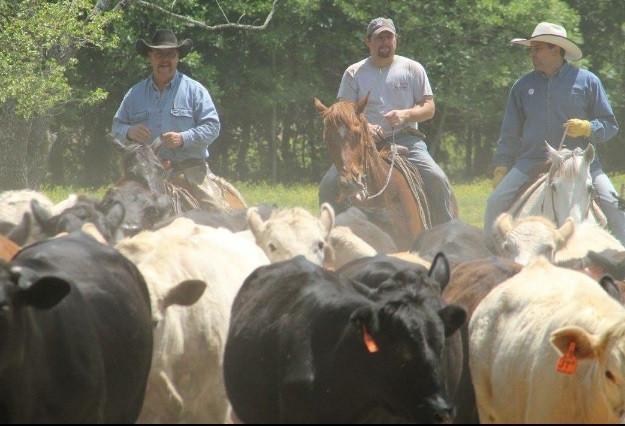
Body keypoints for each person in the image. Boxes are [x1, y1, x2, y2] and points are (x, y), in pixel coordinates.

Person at [484, 22, 624, 244]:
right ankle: (492, 258)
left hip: (580, 162)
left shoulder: (588, 81)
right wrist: (501, 165)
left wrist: (589, 127)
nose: (533, 54)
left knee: (613, 204)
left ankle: (621, 266)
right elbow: (509, 132)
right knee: (495, 202)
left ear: (556, 49)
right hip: (531, 160)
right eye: (531, 49)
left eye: (537, 48)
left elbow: (610, 125)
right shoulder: (522, 86)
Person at [318, 17, 455, 225]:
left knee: (437, 177)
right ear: (368, 42)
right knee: (328, 184)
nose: (385, 42)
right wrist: (366, 126)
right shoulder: (354, 73)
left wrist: (406, 115)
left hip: (407, 139)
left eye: (388, 37)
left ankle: (446, 230)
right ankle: (330, 237)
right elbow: (343, 113)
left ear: (396, 40)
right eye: (379, 38)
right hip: (362, 143)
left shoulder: (412, 68)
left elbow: (429, 108)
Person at [112, 29, 222, 208]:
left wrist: (183, 138)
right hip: (146, 174)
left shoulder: (195, 90)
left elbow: (213, 127)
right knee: (113, 211)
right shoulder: (134, 94)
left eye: (170, 54)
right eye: (158, 54)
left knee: (216, 211)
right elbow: (116, 128)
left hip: (190, 170)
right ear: (150, 57)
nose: (164, 60)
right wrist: (129, 132)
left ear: (178, 57)